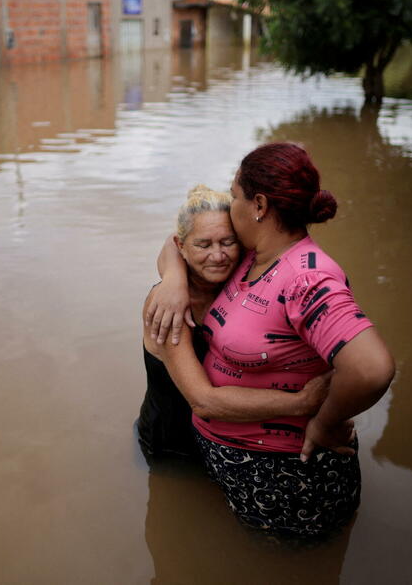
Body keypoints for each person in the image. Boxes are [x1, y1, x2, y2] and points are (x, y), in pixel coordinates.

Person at [145, 144, 394, 539]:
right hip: (227, 467)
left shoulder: (306, 278)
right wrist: (174, 278)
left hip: (285, 483)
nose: (230, 208)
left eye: (236, 197)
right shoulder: (251, 254)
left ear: (258, 205)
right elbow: (184, 238)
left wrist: (324, 420)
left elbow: (371, 368)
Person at [138, 185, 332, 463]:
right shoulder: (167, 305)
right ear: (182, 247)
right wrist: (304, 402)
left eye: (227, 242)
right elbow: (203, 401)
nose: (217, 256)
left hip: (236, 443)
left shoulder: (242, 276)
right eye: (203, 245)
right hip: (173, 444)